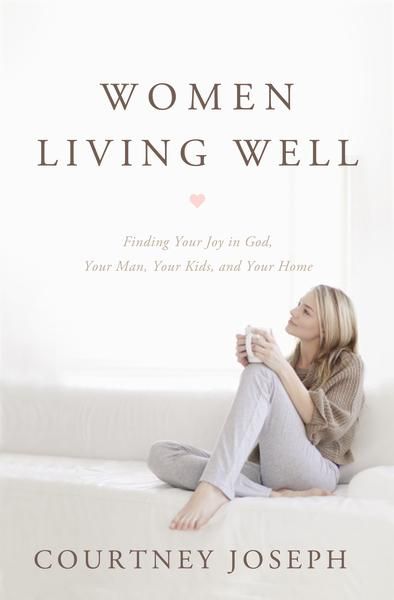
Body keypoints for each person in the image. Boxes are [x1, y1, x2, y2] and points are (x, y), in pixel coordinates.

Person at [147, 284, 365, 531]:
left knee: (260, 373)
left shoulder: (349, 364)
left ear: (325, 328)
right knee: (161, 454)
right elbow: (268, 425)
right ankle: (273, 494)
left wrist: (275, 368)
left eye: (306, 311)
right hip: (268, 471)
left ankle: (217, 487)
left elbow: (327, 427)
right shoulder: (290, 362)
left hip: (315, 470)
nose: (293, 311)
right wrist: (258, 374)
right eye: (298, 304)